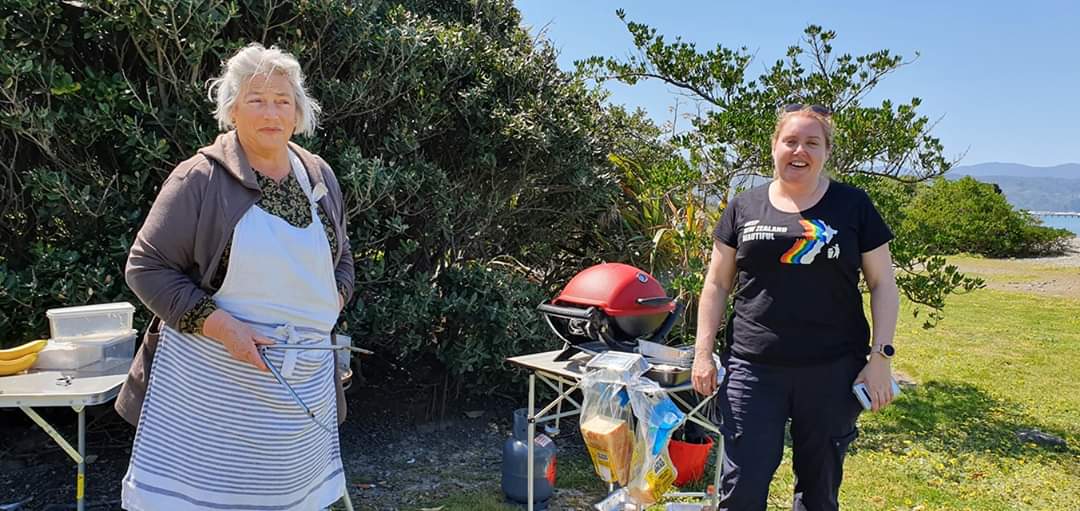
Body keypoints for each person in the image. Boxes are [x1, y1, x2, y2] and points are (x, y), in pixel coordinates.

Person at [115, 43, 355, 510]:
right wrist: (223, 327)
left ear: (298, 112)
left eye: (282, 100)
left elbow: (342, 256)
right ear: (232, 109)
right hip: (212, 390)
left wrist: (333, 300)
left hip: (298, 391)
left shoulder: (318, 175)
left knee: (294, 498)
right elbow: (145, 267)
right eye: (256, 100)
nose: (271, 112)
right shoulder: (199, 178)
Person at [691, 104, 900, 511]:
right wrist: (702, 352)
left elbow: (883, 284)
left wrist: (881, 359)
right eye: (790, 141)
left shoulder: (853, 205)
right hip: (753, 368)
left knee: (819, 492)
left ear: (826, 152)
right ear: (774, 147)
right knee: (742, 486)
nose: (799, 150)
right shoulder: (744, 206)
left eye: (812, 142)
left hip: (832, 369)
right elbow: (716, 283)